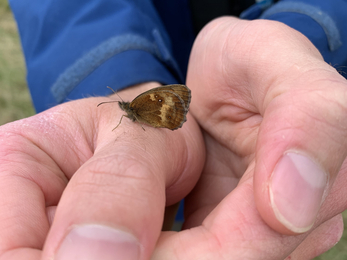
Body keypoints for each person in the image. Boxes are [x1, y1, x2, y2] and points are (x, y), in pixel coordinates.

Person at [1, 0, 347, 259]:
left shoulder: (140, 109)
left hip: (216, 140)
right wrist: (118, 72)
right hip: (176, 171)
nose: (122, 110)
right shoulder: (130, 108)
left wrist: (302, 32)